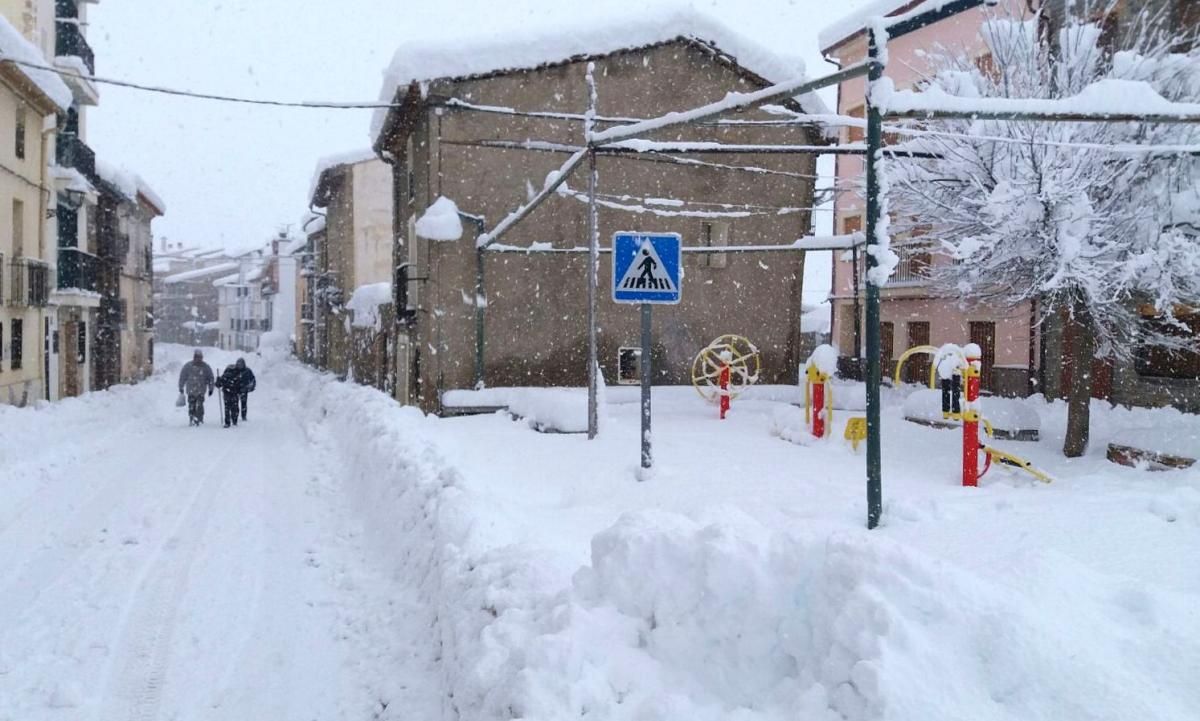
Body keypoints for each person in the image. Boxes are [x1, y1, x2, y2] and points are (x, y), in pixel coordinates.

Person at [178, 349, 215, 426]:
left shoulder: (206, 367)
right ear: (194, 357)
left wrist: (211, 388)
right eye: (197, 357)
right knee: (191, 405)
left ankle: (199, 419)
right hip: (191, 390)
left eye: (200, 357)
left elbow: (210, 378)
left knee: (200, 405)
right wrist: (181, 386)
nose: (198, 359)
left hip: (201, 390)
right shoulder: (188, 366)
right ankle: (192, 418)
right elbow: (182, 377)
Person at [215, 363, 244, 428]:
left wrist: (218, 380)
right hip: (234, 394)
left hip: (226, 393)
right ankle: (234, 420)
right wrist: (240, 391)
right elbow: (240, 385)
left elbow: (218, 385)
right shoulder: (237, 375)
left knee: (227, 408)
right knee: (235, 407)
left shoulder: (225, 375)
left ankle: (227, 422)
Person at [234, 357, 256, 422]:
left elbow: (252, 379)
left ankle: (244, 416)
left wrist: (251, 387)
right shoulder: (234, 371)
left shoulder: (247, 371)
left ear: (244, 364)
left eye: (241, 364)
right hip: (235, 389)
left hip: (244, 389)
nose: (239, 365)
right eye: (238, 364)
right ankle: (235, 415)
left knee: (244, 403)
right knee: (235, 403)